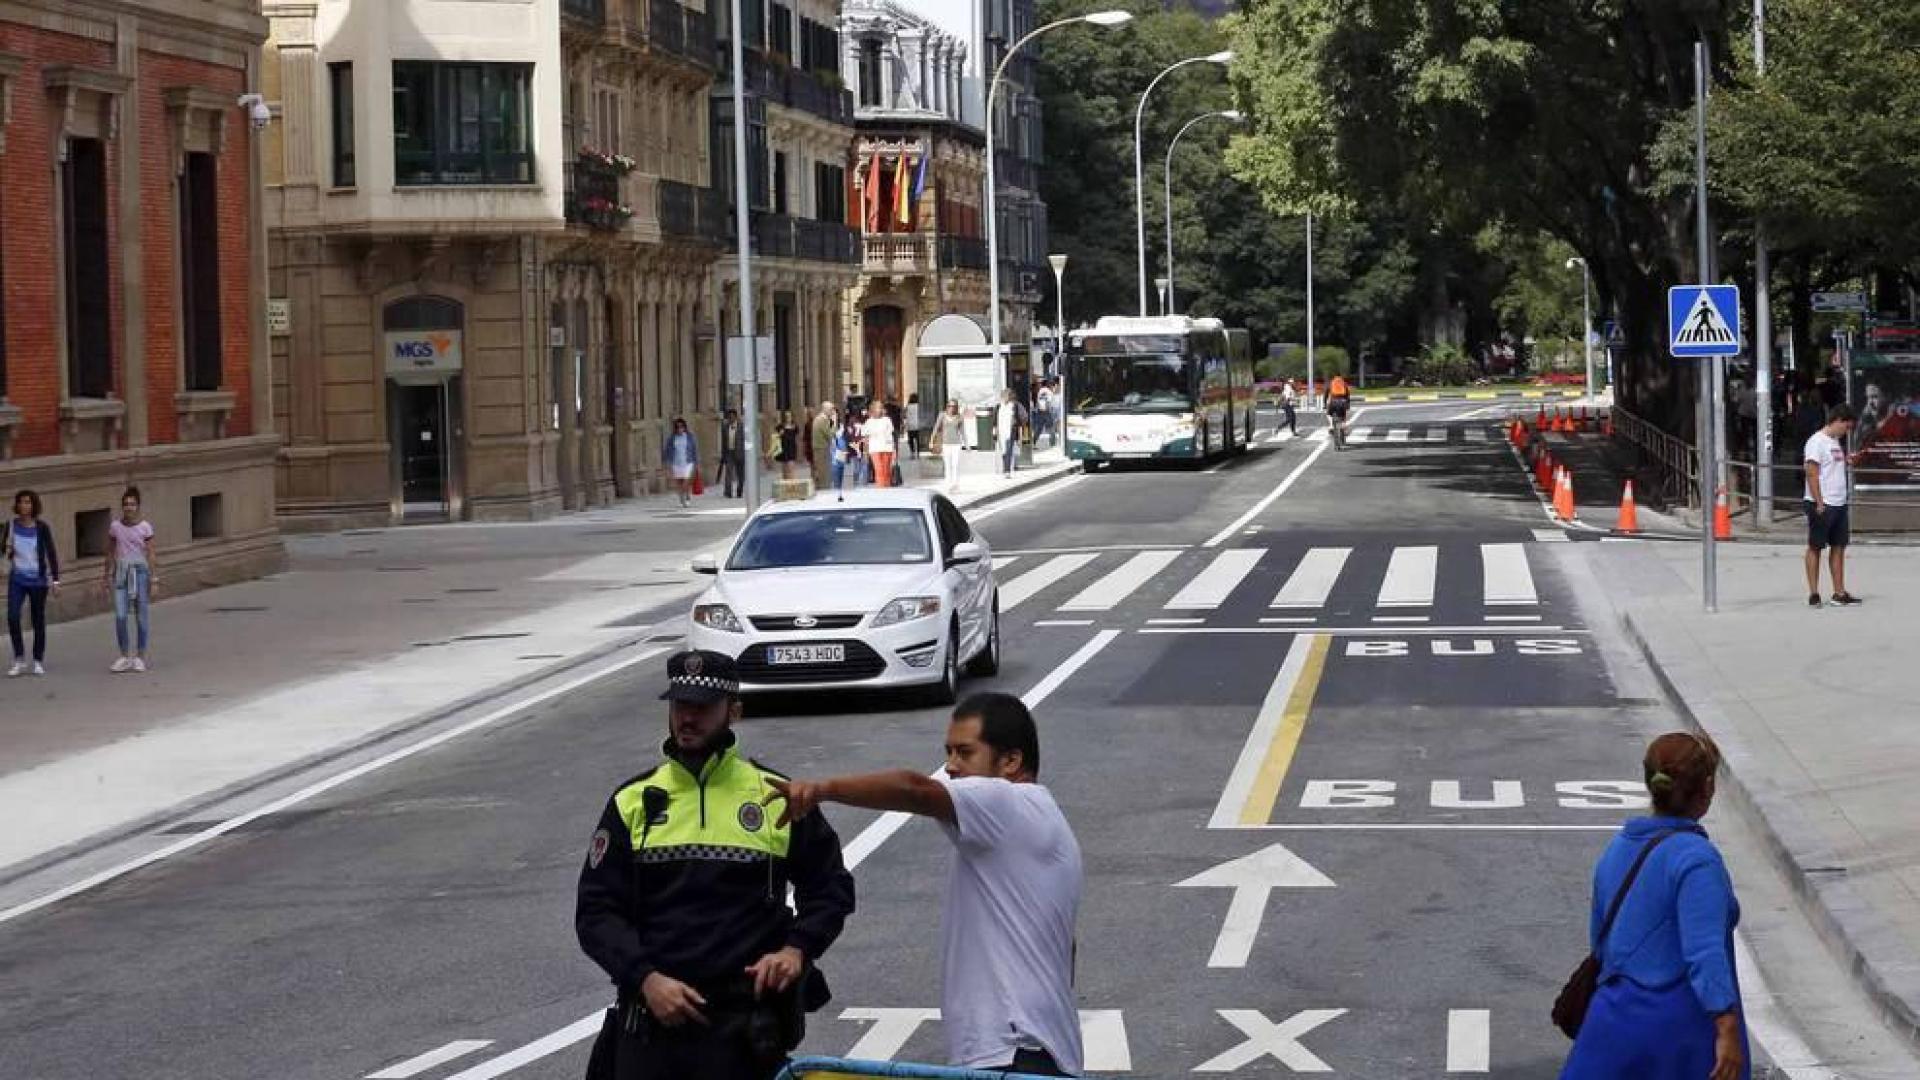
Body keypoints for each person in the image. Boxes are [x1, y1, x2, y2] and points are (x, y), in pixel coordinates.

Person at [767, 693, 1084, 1077]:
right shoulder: (1047, 824)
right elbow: (1065, 950)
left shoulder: (1005, 802)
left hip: (1012, 1050)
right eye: (948, 752)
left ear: (1011, 762)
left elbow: (914, 790)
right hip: (1041, 1050)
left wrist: (821, 789)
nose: (950, 766)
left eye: (965, 753)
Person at [577, 650, 856, 1080]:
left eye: (703, 707)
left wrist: (796, 950)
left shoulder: (774, 796)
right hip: (652, 1027)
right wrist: (646, 979)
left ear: (734, 712)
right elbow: (596, 912)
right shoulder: (631, 801)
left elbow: (830, 888)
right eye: (680, 705)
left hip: (742, 1032)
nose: (688, 718)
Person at [1560, 732, 1747, 1080]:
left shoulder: (1617, 848)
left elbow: (1600, 943)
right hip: (1679, 1032)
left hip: (1611, 1024)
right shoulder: (1697, 860)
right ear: (1707, 788)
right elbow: (1704, 952)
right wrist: (1726, 1027)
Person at [1803, 403, 1862, 608]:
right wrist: (1819, 502)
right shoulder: (1816, 442)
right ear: (1837, 420)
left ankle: (1839, 593)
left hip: (1839, 503)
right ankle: (1814, 593)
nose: (1847, 431)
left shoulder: (1835, 442)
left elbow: (1832, 465)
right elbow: (1811, 473)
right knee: (1815, 546)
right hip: (1822, 503)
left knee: (1838, 547)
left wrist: (1847, 460)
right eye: (1847, 427)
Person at [5, 490, 60, 678]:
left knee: (38, 620)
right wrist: (8, 551)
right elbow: (4, 549)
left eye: (28, 502)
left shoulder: (42, 527)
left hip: (37, 581)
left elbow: (51, 553)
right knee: (13, 616)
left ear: (33, 505)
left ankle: (37, 660)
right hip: (17, 579)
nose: (24, 506)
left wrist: (55, 580)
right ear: (17, 505)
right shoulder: (11, 526)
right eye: (21, 502)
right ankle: (19, 658)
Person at [104, 486, 157, 673]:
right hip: (121, 572)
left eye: (132, 504)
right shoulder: (115, 527)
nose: (129, 507)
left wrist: (154, 579)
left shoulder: (145, 527)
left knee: (141, 615)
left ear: (138, 506)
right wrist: (106, 576)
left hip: (140, 571)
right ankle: (125, 656)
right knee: (120, 615)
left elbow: (151, 553)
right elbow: (110, 552)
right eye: (126, 504)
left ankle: (140, 656)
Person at [932, 399, 971, 495]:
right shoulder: (942, 415)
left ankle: (955, 485)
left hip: (956, 444)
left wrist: (966, 444)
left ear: (956, 407)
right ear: (947, 406)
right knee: (947, 465)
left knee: (955, 465)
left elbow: (962, 432)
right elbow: (936, 428)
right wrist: (931, 440)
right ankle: (948, 485)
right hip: (946, 444)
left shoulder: (959, 417)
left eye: (953, 406)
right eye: (950, 406)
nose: (951, 408)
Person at [662, 417, 700, 508]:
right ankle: (683, 499)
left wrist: (696, 461)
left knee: (686, 481)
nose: (680, 429)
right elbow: (667, 450)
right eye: (678, 427)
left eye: (681, 427)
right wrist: (665, 461)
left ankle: (685, 497)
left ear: (684, 427)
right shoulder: (672, 438)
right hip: (676, 463)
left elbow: (694, 449)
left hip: (688, 462)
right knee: (679, 482)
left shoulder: (689, 437)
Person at [861, 401, 899, 489]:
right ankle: (881, 488)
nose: (880, 409)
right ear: (873, 409)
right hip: (874, 449)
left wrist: (894, 450)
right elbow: (865, 436)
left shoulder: (887, 420)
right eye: (878, 408)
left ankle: (886, 487)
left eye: (881, 407)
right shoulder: (869, 422)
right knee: (879, 469)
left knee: (886, 470)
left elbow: (891, 435)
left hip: (887, 448)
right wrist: (865, 451)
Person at [716, 409, 746, 498]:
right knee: (728, 472)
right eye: (729, 417)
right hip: (729, 452)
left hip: (740, 453)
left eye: (733, 417)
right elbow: (723, 441)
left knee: (740, 474)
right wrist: (723, 453)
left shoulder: (741, 427)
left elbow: (745, 440)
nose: (731, 419)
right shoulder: (725, 427)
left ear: (736, 417)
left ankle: (739, 490)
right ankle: (728, 492)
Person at [809, 402, 838, 491]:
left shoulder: (820, 419)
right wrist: (834, 422)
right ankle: (824, 490)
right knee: (824, 472)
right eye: (831, 409)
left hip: (821, 448)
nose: (832, 412)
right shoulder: (822, 420)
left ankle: (822, 488)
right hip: (821, 449)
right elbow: (830, 434)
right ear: (825, 409)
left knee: (822, 471)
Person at [995, 389, 1022, 478]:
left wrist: (1018, 430)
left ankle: (1007, 470)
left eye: (1007, 396)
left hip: (1010, 431)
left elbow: (1018, 419)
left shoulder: (1014, 406)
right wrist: (995, 431)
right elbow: (995, 420)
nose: (1005, 398)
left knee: (1008, 450)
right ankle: (1005, 468)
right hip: (1001, 431)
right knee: (1003, 451)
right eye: (1004, 396)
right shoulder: (998, 407)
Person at [768, 410, 802, 481]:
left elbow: (797, 436)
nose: (788, 418)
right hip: (783, 449)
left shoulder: (795, 426)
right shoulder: (781, 426)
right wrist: (780, 434)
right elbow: (775, 435)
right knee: (784, 469)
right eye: (786, 416)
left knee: (791, 468)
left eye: (789, 416)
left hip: (791, 449)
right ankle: (785, 483)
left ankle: (791, 483)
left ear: (792, 417)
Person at [905, 394, 924, 458]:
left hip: (910, 425)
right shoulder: (919, 406)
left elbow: (906, 416)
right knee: (918, 439)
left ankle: (912, 453)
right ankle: (918, 453)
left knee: (911, 439)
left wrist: (906, 424)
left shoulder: (908, 406)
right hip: (917, 424)